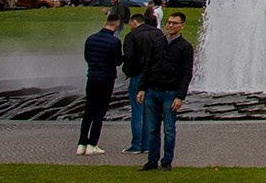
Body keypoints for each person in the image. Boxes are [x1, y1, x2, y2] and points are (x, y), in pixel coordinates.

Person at [137, 11, 193, 171]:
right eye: (169, 22)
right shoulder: (158, 42)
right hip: (152, 90)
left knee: (169, 129)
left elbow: (186, 73)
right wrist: (142, 88)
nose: (170, 25)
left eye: (174, 23)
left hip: (170, 92)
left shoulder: (185, 47)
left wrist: (180, 96)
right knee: (152, 129)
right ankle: (152, 161)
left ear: (182, 25)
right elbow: (148, 66)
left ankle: (166, 161)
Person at [78, 9, 124, 155]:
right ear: (116, 25)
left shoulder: (90, 38)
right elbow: (117, 61)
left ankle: (81, 143)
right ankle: (92, 144)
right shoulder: (115, 41)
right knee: (100, 112)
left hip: (91, 76)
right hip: (106, 78)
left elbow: (87, 57)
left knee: (88, 110)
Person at [119, 10, 162, 155]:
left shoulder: (132, 36)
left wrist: (128, 72)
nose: (129, 26)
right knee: (149, 111)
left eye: (130, 23)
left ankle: (137, 144)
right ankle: (148, 144)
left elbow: (129, 57)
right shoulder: (158, 33)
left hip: (138, 75)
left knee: (137, 110)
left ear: (134, 22)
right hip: (154, 76)